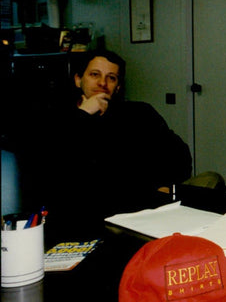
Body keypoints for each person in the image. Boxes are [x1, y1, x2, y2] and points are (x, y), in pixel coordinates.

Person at [36, 50, 192, 240]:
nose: (102, 83)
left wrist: (165, 184)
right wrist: (83, 115)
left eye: (111, 78)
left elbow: (180, 157)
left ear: (118, 87)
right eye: (95, 75)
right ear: (78, 80)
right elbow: (48, 171)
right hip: (80, 221)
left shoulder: (139, 114)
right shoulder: (56, 120)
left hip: (138, 216)